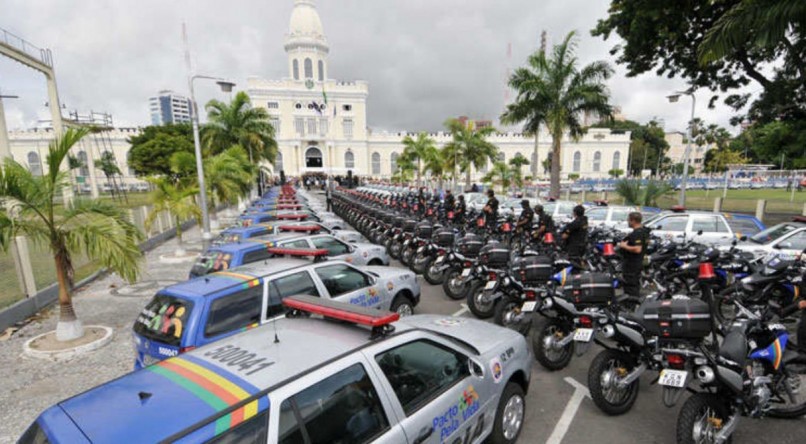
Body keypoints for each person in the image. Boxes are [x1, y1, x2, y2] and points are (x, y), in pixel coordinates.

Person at [618, 212, 650, 299]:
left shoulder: (638, 233)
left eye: (629, 220)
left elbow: (637, 249)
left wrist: (624, 246)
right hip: (636, 263)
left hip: (632, 264)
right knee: (633, 284)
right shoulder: (644, 231)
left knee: (630, 286)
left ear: (633, 221)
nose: (627, 222)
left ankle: (631, 304)